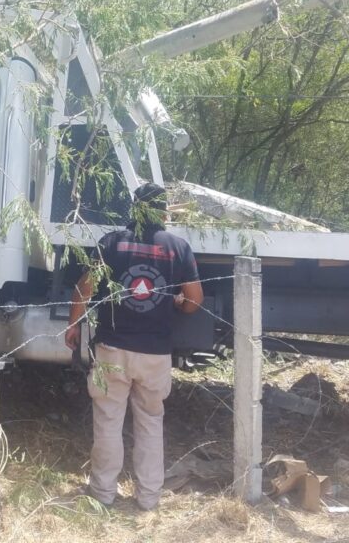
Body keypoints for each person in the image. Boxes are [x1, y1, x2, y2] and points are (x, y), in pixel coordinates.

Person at [65, 182, 204, 511]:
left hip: (113, 349)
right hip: (155, 354)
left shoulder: (112, 242)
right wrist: (181, 306)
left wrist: (73, 325)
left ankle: (102, 494)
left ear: (134, 208)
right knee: (150, 423)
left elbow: (85, 288)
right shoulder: (178, 247)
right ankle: (149, 498)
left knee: (108, 421)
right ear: (164, 211)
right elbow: (195, 300)